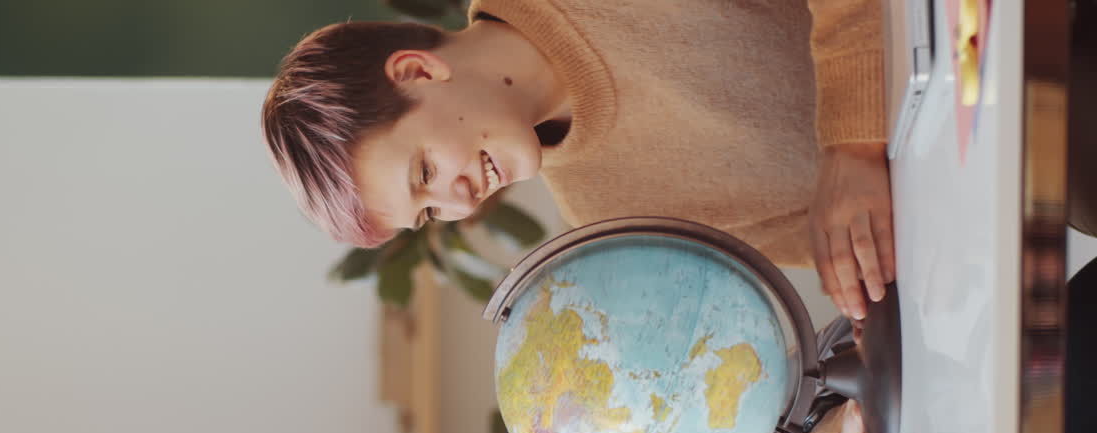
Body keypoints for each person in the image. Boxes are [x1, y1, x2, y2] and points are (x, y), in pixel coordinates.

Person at [262, 0, 895, 321]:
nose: (460, 203)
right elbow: (859, 246)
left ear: (418, 71)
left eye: (423, 173)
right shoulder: (602, 216)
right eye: (428, 213)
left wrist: (856, 144)